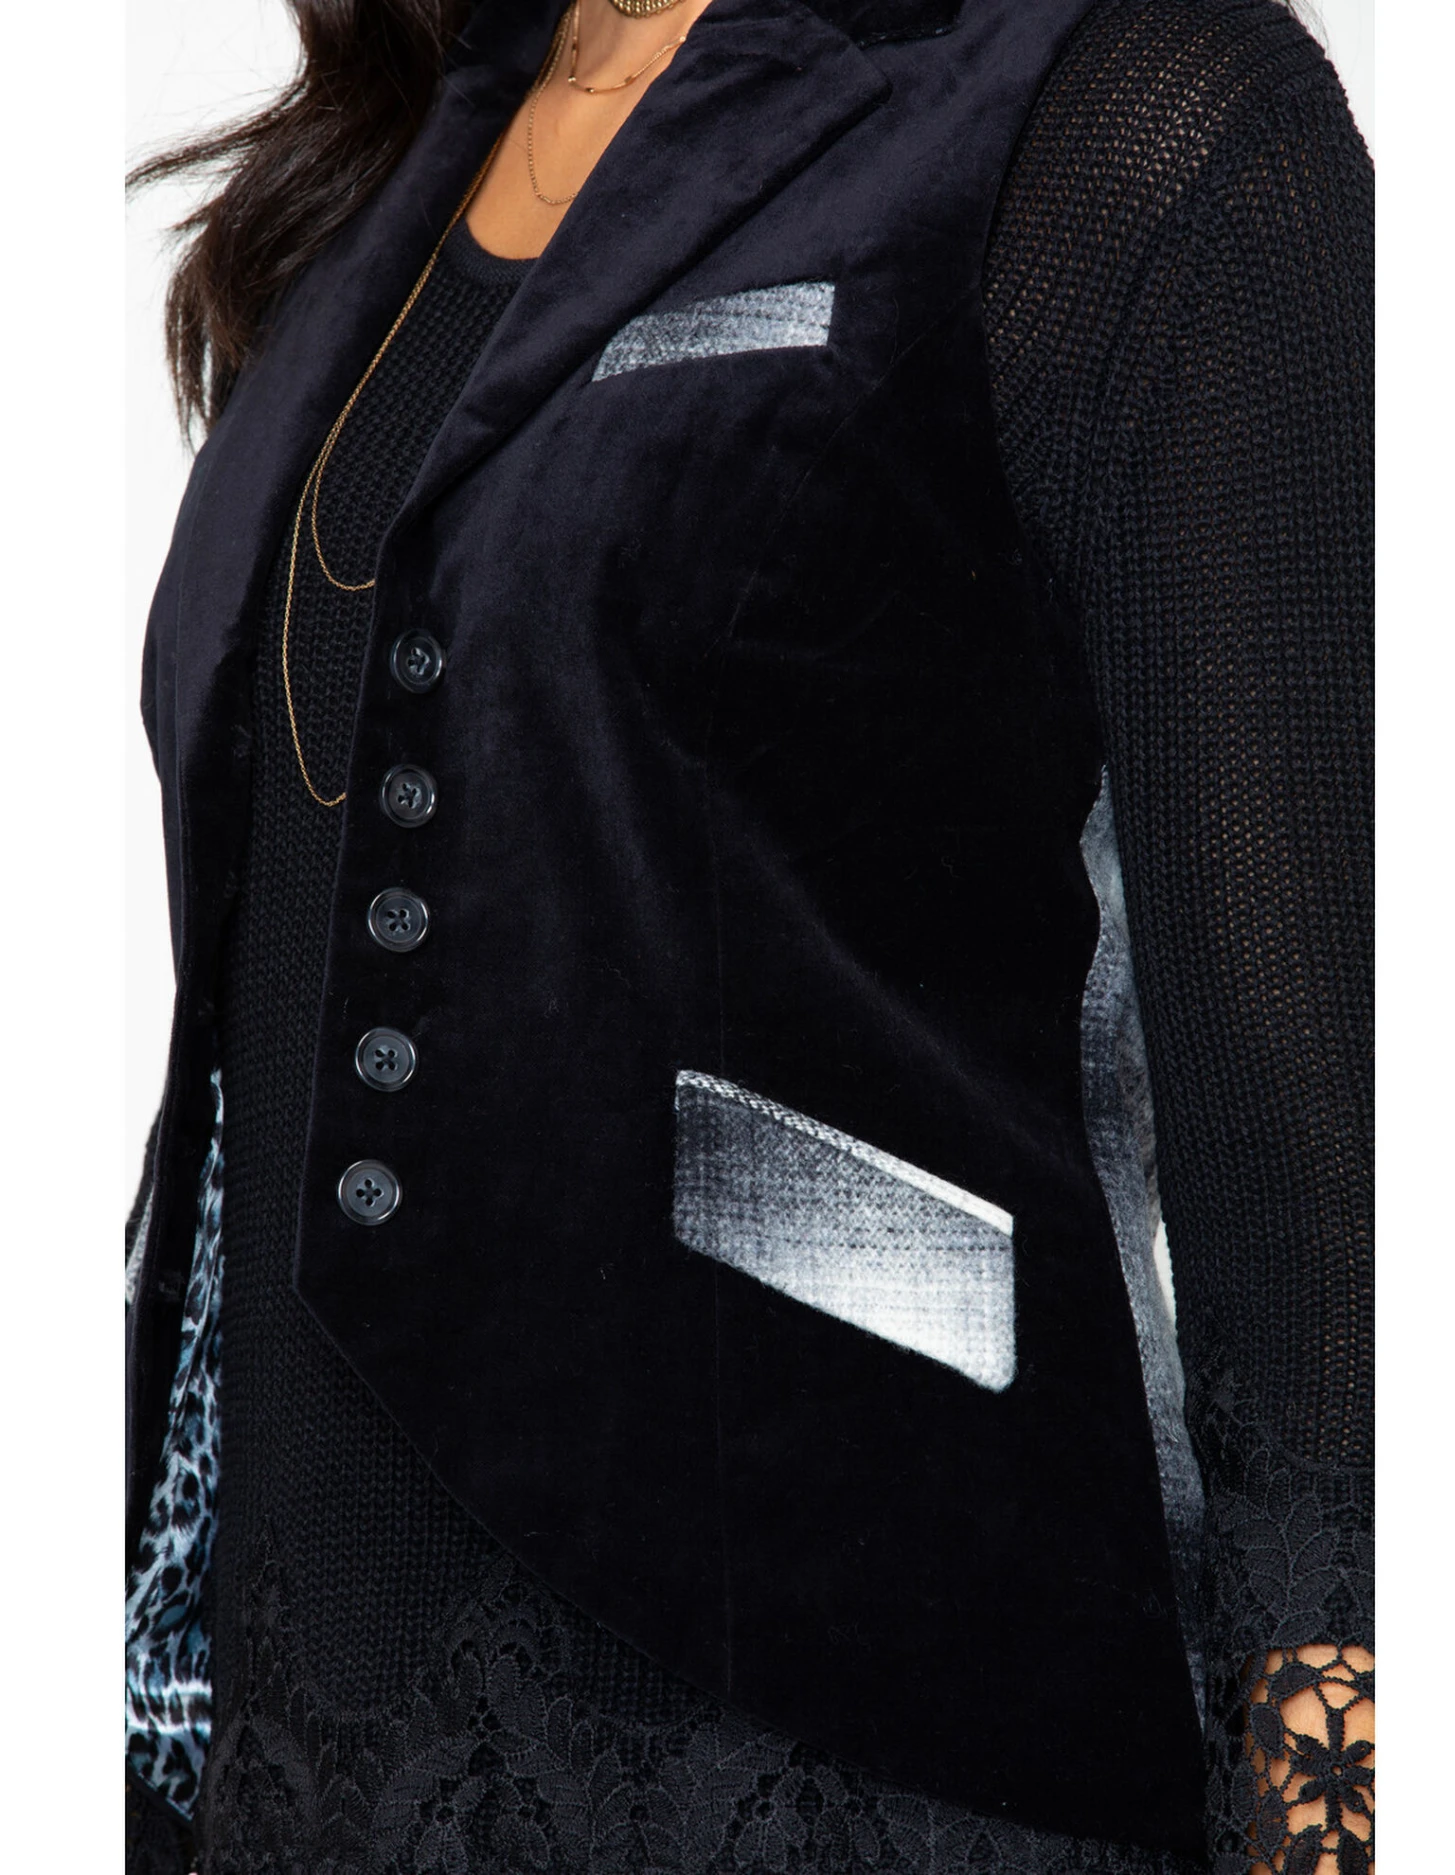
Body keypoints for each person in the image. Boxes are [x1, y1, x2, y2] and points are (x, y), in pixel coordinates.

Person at [123, 0, 1374, 1869]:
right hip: (304, 1761)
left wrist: (1332, 1797)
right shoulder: (414, 142)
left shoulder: (1132, 109)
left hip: (857, 1743)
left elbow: (1320, 1170)